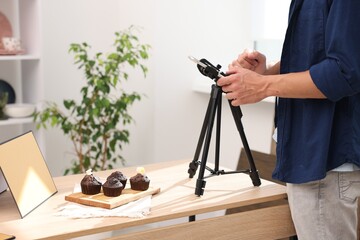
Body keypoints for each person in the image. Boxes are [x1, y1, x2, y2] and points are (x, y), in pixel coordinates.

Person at [216, 1, 360, 239]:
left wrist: (263, 86)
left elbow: (344, 71)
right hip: (308, 154)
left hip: (325, 161)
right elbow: (317, 53)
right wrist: (266, 73)